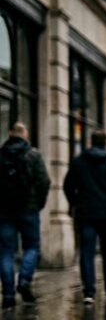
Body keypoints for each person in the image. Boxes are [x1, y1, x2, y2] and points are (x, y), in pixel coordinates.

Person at [63, 131, 106, 304]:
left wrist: (75, 203)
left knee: (87, 252)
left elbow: (68, 186)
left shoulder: (79, 162)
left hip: (86, 214)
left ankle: (89, 291)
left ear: (90, 142)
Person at [0, 122, 50, 309]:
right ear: (25, 134)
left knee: (6, 251)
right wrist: (38, 204)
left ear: (10, 133)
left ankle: (8, 294)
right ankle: (24, 280)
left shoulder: (1, 154)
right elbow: (44, 181)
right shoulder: (33, 155)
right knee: (32, 246)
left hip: (4, 210)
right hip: (28, 209)